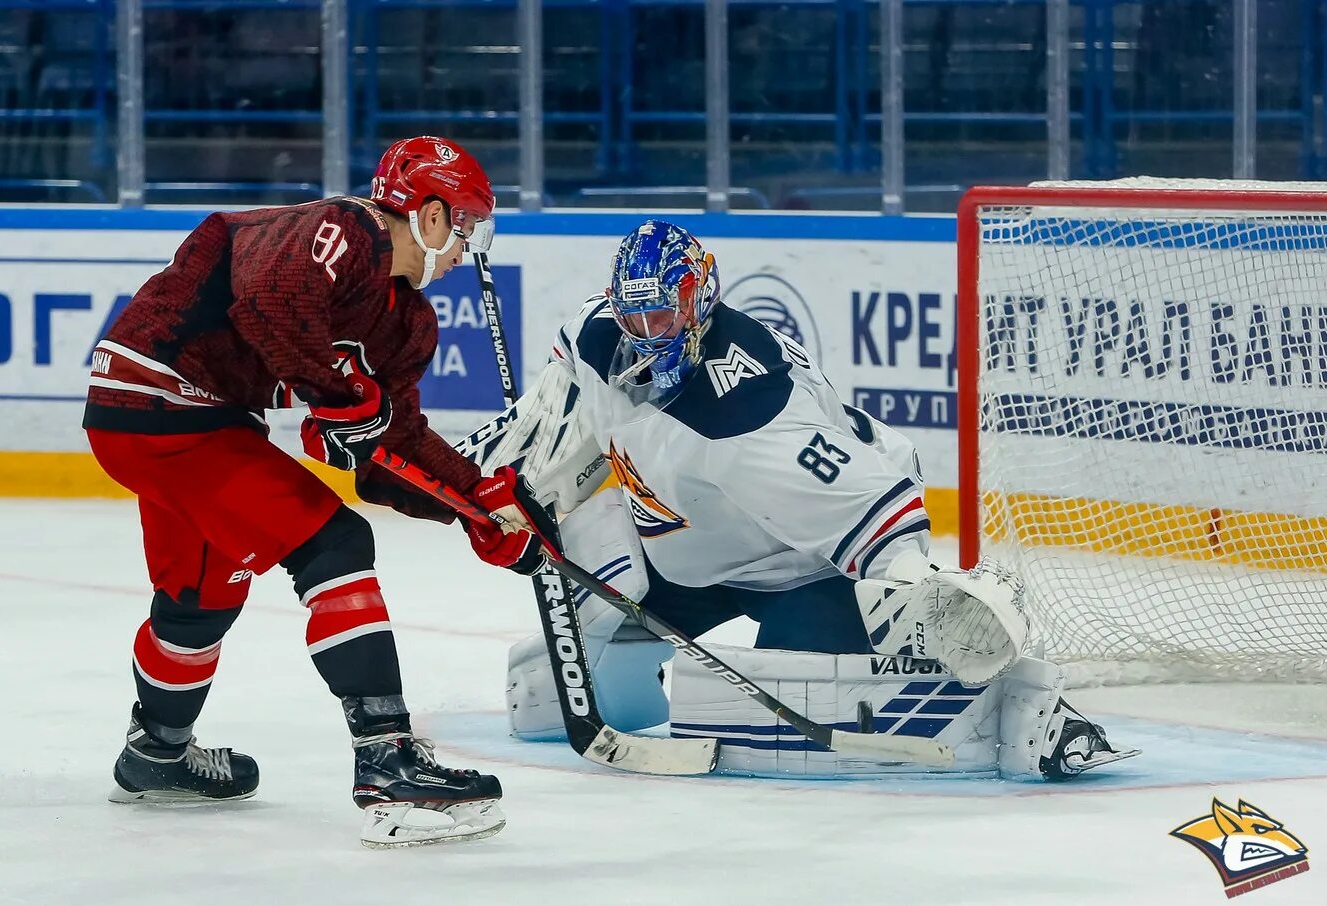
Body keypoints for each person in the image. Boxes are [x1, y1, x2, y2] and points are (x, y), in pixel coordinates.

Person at [461, 220, 1137, 781]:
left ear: (698, 301)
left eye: (660, 313)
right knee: (543, 699)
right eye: (631, 313)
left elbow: (884, 514)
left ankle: (1033, 709)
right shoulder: (596, 332)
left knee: (793, 717)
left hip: (800, 565)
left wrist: (914, 604)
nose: (644, 331)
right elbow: (563, 395)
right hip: (683, 550)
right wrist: (518, 480)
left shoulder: (751, 418)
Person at [83, 136, 554, 846]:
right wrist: (334, 396)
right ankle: (388, 760)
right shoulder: (342, 230)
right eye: (465, 224)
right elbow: (268, 303)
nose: (467, 248)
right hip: (162, 401)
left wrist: (478, 505)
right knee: (333, 543)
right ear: (427, 214)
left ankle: (156, 752)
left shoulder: (407, 321)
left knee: (201, 599)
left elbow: (386, 448)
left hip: (191, 418)